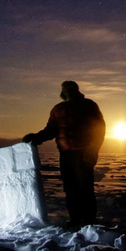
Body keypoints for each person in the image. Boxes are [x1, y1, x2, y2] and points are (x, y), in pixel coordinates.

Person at [23, 81, 105, 229]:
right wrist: (36, 137)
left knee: (85, 188)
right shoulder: (58, 109)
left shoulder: (88, 105)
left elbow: (99, 129)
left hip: (84, 154)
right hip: (66, 155)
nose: (68, 90)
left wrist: (92, 151)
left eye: (70, 88)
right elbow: (51, 130)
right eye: (65, 88)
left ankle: (89, 221)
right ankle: (75, 219)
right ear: (62, 91)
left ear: (76, 89)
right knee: (70, 188)